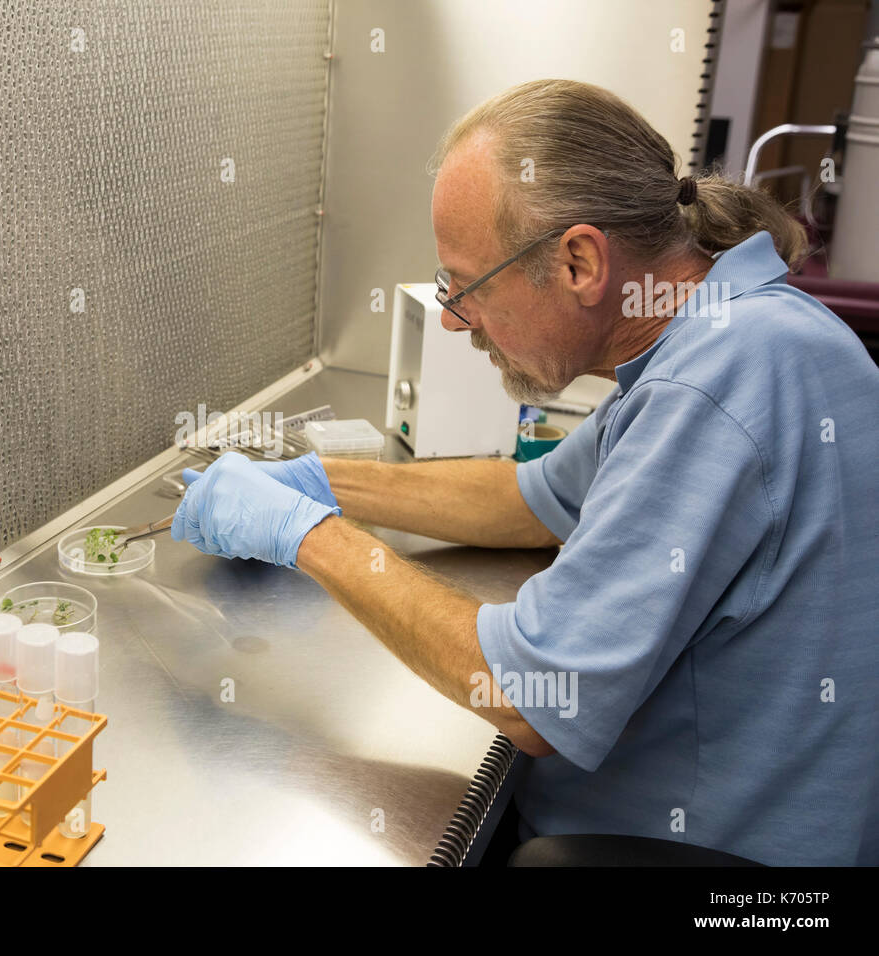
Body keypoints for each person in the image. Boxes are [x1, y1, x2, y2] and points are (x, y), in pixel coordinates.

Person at [173, 79, 879, 866]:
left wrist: (310, 537)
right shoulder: (733, 330)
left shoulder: (715, 383)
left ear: (580, 261)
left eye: (466, 285)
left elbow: (538, 694)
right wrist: (322, 481)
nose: (450, 317)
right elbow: (530, 499)